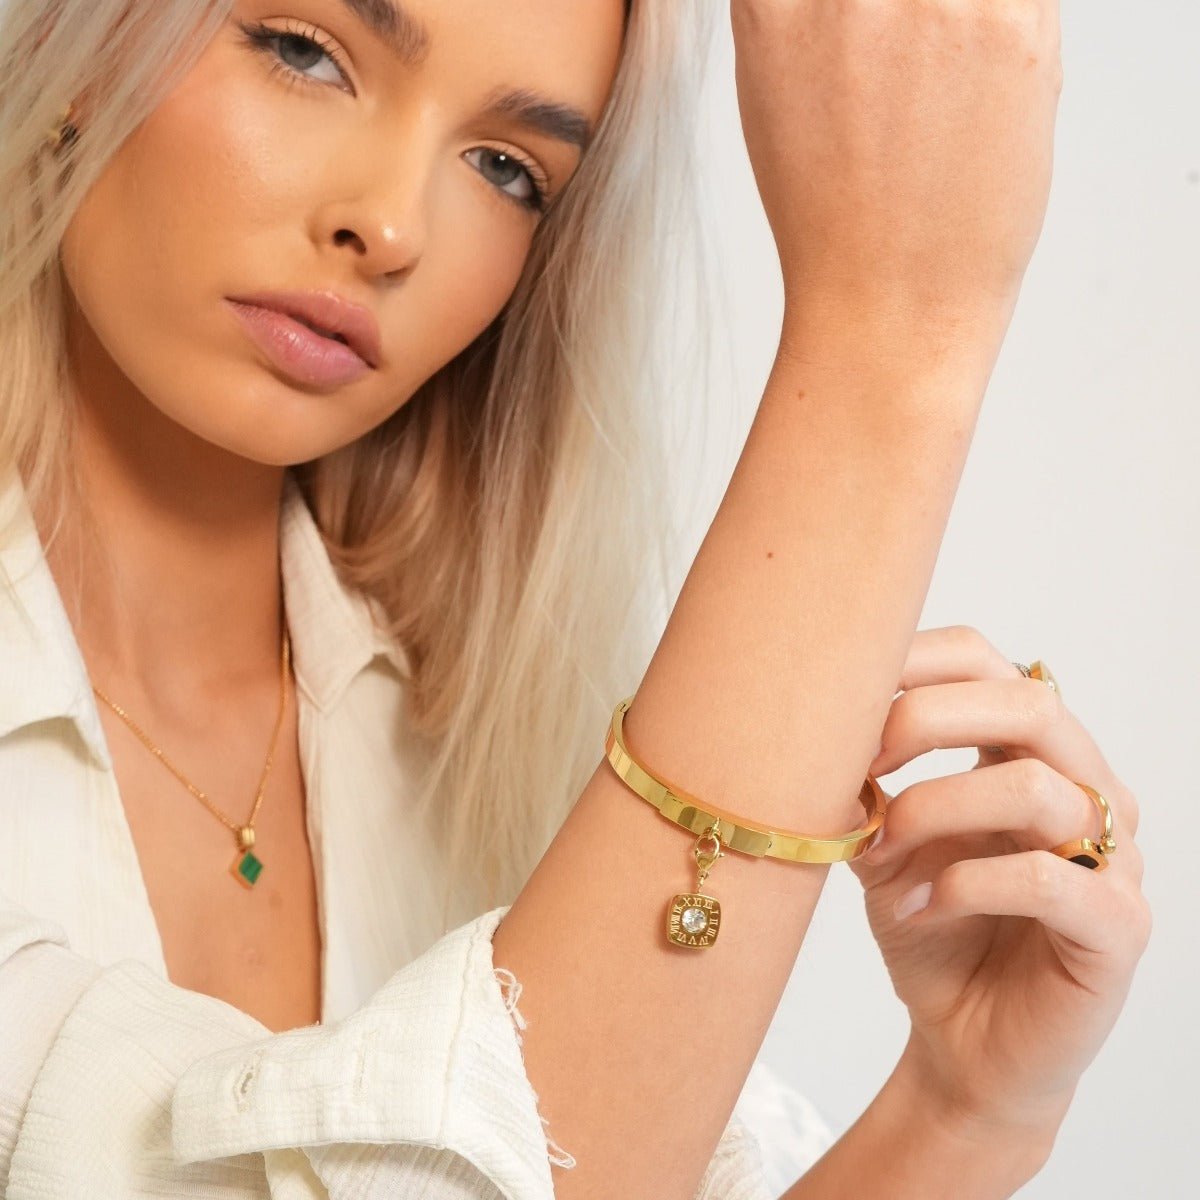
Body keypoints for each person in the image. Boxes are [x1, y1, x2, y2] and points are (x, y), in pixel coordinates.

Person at [0, 0, 1150, 1197]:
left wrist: (960, 1117)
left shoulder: (486, 734)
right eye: (307, 55)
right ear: (83, 41)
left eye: (506, 168)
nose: (390, 225)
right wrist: (888, 344)